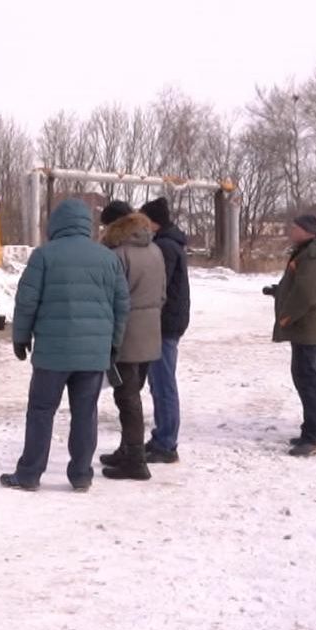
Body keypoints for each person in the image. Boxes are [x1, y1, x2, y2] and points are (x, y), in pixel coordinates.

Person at [1, 199, 131, 492]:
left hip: (51, 356)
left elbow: (26, 301)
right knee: (86, 413)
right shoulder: (107, 258)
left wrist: (21, 337)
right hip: (93, 356)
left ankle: (30, 474)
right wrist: (113, 344)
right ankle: (81, 475)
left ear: (56, 224)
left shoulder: (44, 256)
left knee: (41, 411)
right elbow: (122, 305)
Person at [97, 200, 167, 482]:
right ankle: (128, 450)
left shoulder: (119, 255)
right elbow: (162, 293)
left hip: (127, 332)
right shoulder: (155, 249)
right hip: (150, 331)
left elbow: (113, 298)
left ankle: (135, 459)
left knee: (127, 398)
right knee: (132, 392)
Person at [266, 214, 316, 457]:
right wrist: (279, 291)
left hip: (309, 327)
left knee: (309, 381)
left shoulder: (313, 256)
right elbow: (303, 287)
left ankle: (315, 436)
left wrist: (286, 317)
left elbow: (306, 295)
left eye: (295, 227)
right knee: (315, 380)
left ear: (309, 231)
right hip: (312, 327)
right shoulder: (311, 252)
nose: (291, 230)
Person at [140, 196, 189, 463]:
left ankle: (166, 442)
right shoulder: (168, 244)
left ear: (153, 222)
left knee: (163, 383)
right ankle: (162, 437)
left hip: (164, 325)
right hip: (166, 323)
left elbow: (158, 287)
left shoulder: (166, 247)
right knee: (159, 382)